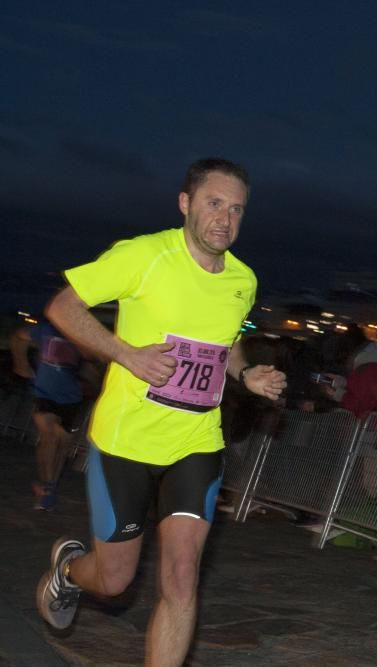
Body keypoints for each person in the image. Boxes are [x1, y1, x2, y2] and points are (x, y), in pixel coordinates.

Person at [35, 158, 287, 666]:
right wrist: (127, 354)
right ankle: (68, 573)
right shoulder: (144, 256)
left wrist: (244, 374)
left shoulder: (243, 280)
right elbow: (63, 308)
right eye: (214, 204)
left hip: (196, 444)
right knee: (114, 579)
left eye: (237, 209)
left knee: (181, 575)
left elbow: (227, 342)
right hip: (127, 443)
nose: (225, 219)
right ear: (186, 203)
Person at [10, 319, 86, 510]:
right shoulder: (46, 328)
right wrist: (21, 364)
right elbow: (18, 337)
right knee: (49, 436)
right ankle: (47, 486)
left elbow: (92, 363)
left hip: (72, 398)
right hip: (44, 393)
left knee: (61, 445)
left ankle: (50, 486)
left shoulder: (81, 333)